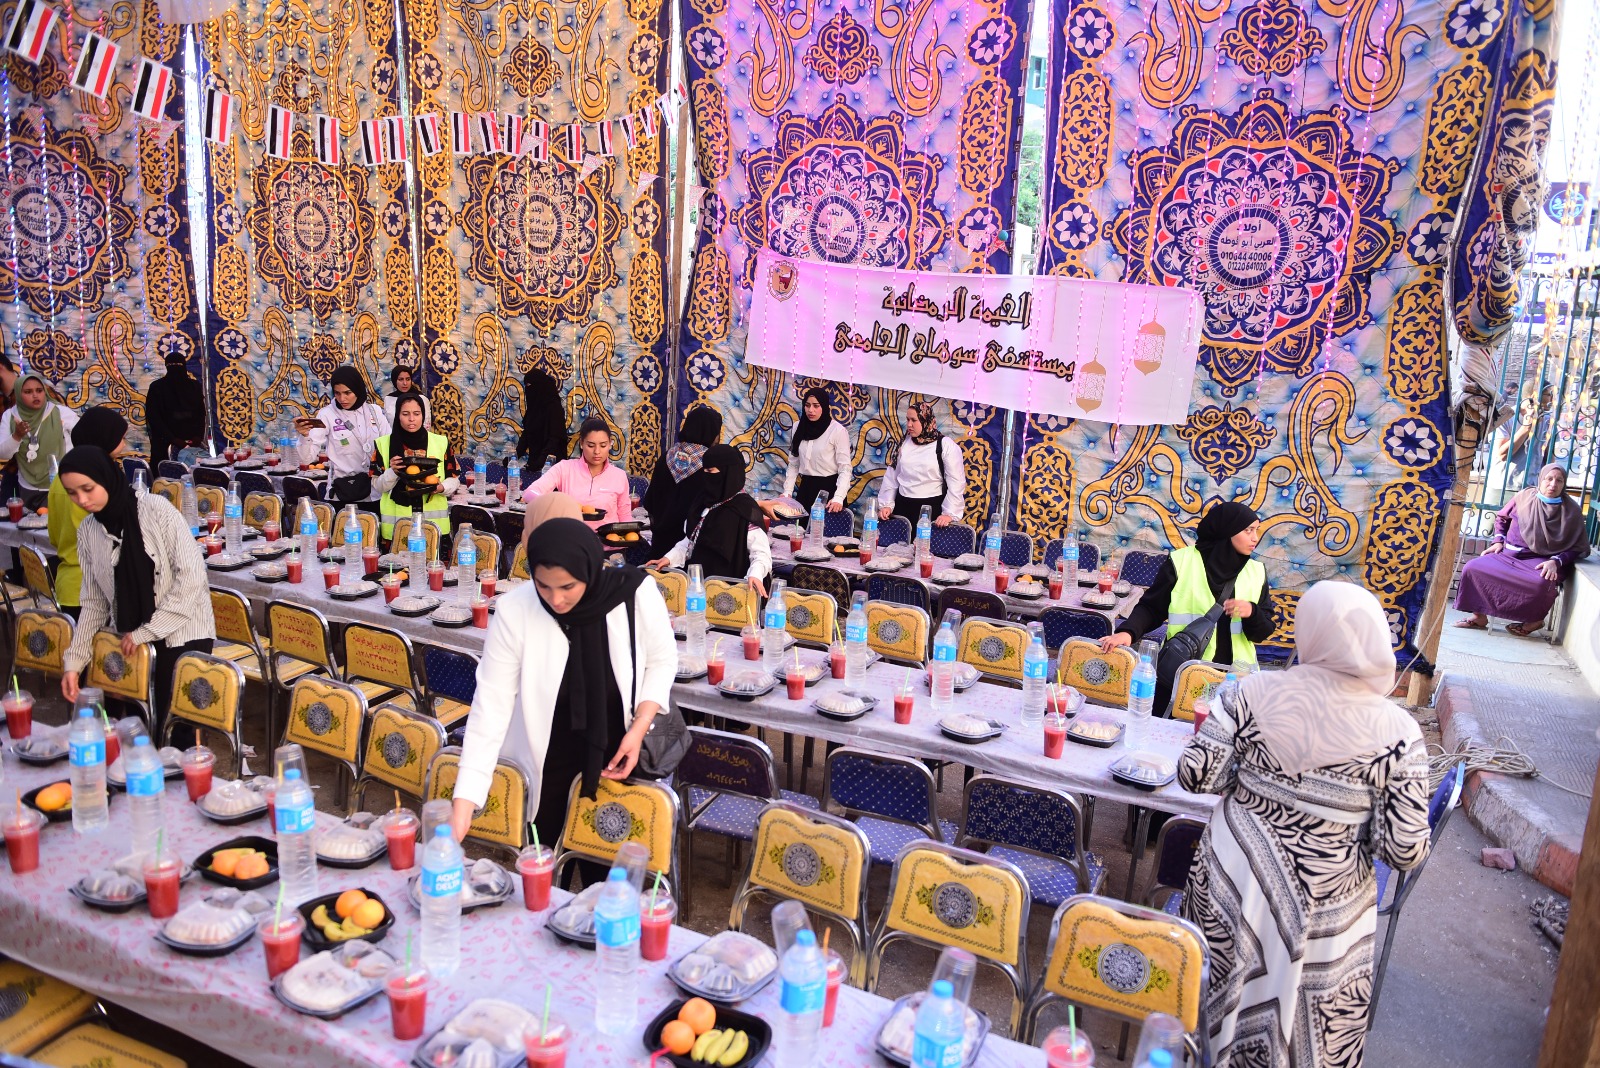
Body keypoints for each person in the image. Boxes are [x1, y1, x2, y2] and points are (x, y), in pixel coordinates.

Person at [1177, 580, 1430, 1067]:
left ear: (1307, 631)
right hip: (1325, 908)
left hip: (1234, 887)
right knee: (1304, 1034)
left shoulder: (1248, 693)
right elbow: (1402, 850)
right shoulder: (1400, 733)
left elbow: (1195, 774)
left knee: (1208, 1020)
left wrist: (1252, 782)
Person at [451, 518, 676, 855]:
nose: (556, 599)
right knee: (542, 854)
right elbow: (491, 704)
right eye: (544, 586)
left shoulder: (634, 593)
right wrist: (465, 800)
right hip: (546, 756)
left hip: (619, 749)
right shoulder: (516, 610)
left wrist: (640, 726)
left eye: (568, 586)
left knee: (609, 861)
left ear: (588, 569)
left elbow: (661, 660)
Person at [57, 445, 216, 746]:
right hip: (132, 640)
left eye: (88, 489)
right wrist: (74, 662)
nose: (82, 500)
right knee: (137, 728)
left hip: (182, 633)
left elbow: (192, 578)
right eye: (72, 493)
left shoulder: (156, 511)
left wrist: (148, 631)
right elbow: (94, 603)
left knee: (175, 731)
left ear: (106, 478)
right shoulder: (89, 531)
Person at [1101, 501, 1275, 712]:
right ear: (1227, 530)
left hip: (1235, 682)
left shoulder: (1256, 572)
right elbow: (1152, 608)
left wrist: (1252, 612)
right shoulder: (1181, 562)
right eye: (1248, 530)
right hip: (1183, 671)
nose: (1255, 538)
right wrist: (1128, 632)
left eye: (1256, 530)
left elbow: (1262, 633)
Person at [1455, 463, 1589, 637]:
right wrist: (1498, 541)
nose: (1553, 484)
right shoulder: (1524, 497)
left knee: (1542, 583)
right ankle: (1479, 616)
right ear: (1540, 480)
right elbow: (1502, 519)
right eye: (1548, 479)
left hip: (1539, 560)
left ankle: (1534, 621)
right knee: (1472, 568)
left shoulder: (1571, 510)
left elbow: (1577, 546)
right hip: (1507, 555)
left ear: (1564, 484)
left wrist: (1556, 562)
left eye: (1559, 480)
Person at [647, 444, 771, 594]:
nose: (705, 476)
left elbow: (761, 553)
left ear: (727, 473)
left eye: (710, 471)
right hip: (697, 589)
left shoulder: (745, 509)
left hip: (730, 593)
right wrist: (669, 558)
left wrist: (755, 575)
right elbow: (690, 541)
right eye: (704, 471)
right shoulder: (702, 502)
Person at [49, 408, 131, 621]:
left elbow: (54, 537)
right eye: (121, 438)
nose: (124, 445)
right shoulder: (97, 482)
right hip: (97, 588)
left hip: (68, 585)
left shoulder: (61, 478)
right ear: (104, 438)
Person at [370, 394, 459, 541]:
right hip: (397, 528)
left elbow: (454, 478)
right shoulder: (383, 444)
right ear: (398, 416)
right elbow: (377, 486)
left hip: (433, 528)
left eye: (416, 414)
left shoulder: (440, 442)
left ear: (423, 415)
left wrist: (441, 488)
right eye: (405, 414)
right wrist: (393, 472)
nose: (411, 419)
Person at [295, 366, 390, 502]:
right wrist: (305, 437)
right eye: (337, 393)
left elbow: (389, 445)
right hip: (342, 493)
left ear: (357, 389)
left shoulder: (374, 412)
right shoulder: (327, 414)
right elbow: (306, 458)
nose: (342, 398)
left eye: (347, 393)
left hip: (374, 493)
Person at [523, 416, 633, 529]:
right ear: (581, 443)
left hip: (606, 540)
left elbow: (625, 516)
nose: (597, 451)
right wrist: (555, 506)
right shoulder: (564, 468)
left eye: (603, 445)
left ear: (610, 444)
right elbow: (529, 494)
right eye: (591, 445)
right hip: (571, 538)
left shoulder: (619, 476)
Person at [641, 405, 722, 555]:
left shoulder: (666, 458)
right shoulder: (711, 467)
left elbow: (650, 503)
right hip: (691, 550)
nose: (718, 437)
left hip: (661, 548)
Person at [877, 400, 965, 527]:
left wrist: (949, 514)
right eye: (907, 419)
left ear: (925, 420)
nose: (909, 424)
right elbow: (892, 476)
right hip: (903, 507)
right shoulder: (904, 443)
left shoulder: (945, 445)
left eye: (914, 420)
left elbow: (956, 482)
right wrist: (887, 505)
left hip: (931, 510)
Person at [0, 372, 79, 510]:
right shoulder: (10, 416)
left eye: (39, 390)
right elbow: (3, 453)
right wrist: (17, 436)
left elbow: (84, 437)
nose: (35, 395)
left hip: (61, 484)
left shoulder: (60, 412)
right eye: (28, 392)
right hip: (28, 486)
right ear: (18, 394)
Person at [783, 386, 852, 516]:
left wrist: (838, 497)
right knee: (801, 527)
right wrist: (787, 492)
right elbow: (794, 464)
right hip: (805, 489)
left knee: (825, 528)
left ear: (824, 407)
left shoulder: (837, 431)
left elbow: (845, 468)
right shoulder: (798, 427)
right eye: (807, 405)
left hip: (829, 491)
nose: (811, 410)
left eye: (816, 406)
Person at [144, 353, 207, 466]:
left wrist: (196, 437)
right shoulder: (158, 387)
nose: (175, 369)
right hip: (168, 445)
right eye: (172, 365)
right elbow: (154, 417)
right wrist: (174, 439)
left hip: (188, 444)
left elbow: (201, 413)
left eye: (178, 365)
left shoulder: (193, 386)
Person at [516, 368, 569, 473]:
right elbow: (527, 434)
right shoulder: (533, 409)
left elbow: (554, 439)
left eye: (530, 386)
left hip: (553, 468)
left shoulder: (554, 408)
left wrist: (540, 462)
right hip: (534, 466)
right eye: (526, 386)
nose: (528, 390)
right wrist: (514, 456)